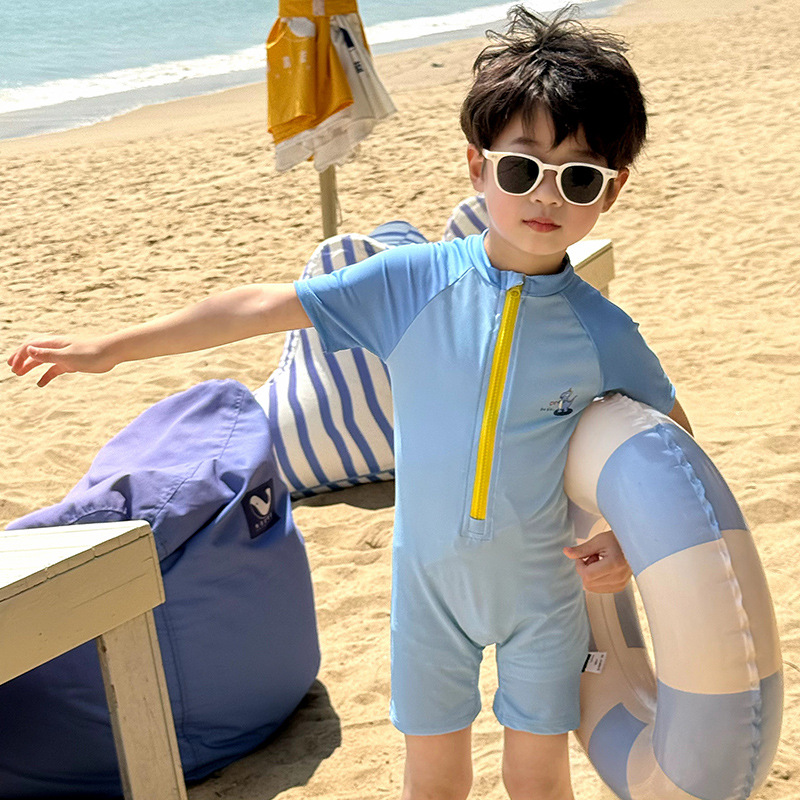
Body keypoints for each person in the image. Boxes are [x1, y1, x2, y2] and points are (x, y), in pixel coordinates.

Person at [8, 7, 692, 799]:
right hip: (426, 595)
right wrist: (112, 347)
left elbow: (673, 443)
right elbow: (257, 307)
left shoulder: (602, 331)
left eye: (578, 178)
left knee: (536, 777)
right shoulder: (412, 281)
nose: (546, 195)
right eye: (521, 169)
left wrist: (625, 539)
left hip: (545, 594)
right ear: (477, 167)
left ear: (613, 190)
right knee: (434, 781)